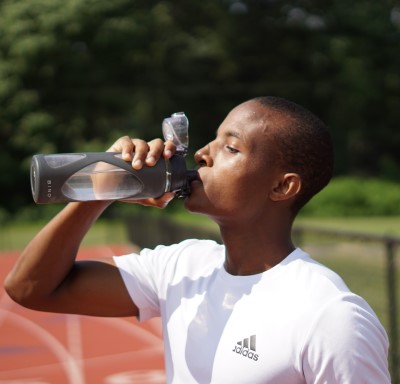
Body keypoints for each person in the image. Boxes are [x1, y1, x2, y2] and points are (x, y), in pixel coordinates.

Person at [5, 96, 390, 383]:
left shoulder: (330, 315)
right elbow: (30, 288)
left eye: (231, 147)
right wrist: (104, 186)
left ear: (281, 186)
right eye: (212, 140)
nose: (203, 154)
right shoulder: (183, 266)